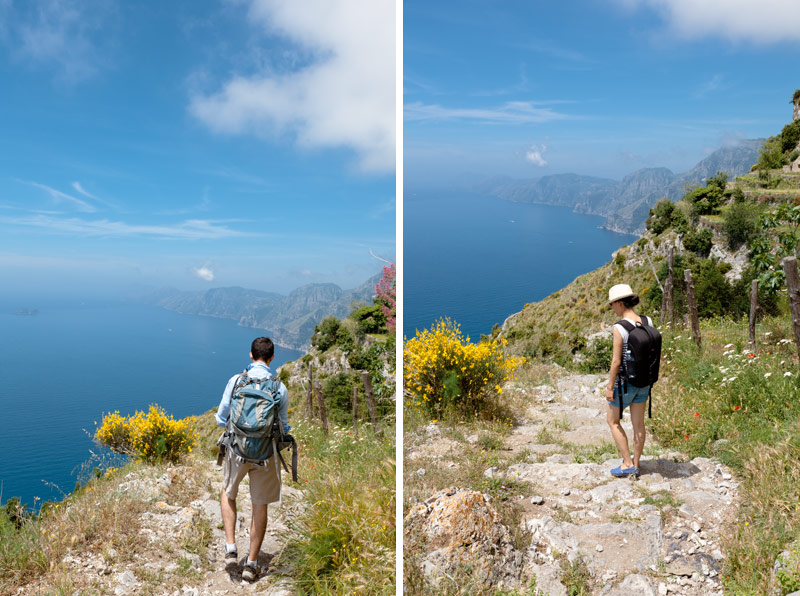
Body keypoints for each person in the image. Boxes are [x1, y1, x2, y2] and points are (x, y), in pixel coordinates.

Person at [215, 336, 290, 583]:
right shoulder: (279, 388)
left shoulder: (236, 381)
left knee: (228, 492)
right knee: (260, 505)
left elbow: (221, 416)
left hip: (237, 450)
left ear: (250, 355)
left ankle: (230, 548)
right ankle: (252, 564)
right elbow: (284, 426)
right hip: (265, 454)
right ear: (272, 358)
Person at [605, 284, 651, 478]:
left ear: (619, 303)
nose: (612, 308)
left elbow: (616, 362)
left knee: (613, 421)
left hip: (624, 383)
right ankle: (637, 464)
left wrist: (609, 387)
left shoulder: (620, 327)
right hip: (644, 382)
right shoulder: (648, 321)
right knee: (639, 424)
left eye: (612, 304)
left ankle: (627, 463)